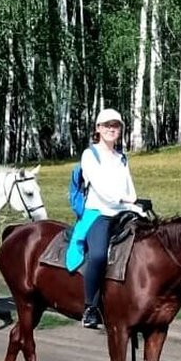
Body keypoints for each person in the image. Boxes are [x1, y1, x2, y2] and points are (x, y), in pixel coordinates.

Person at [68, 108, 142, 329]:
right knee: (99, 255)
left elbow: (131, 189)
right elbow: (101, 190)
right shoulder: (90, 155)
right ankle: (90, 307)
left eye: (116, 125)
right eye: (107, 125)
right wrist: (126, 199)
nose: (112, 129)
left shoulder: (121, 158)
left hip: (123, 212)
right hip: (98, 214)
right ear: (98, 129)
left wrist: (136, 204)